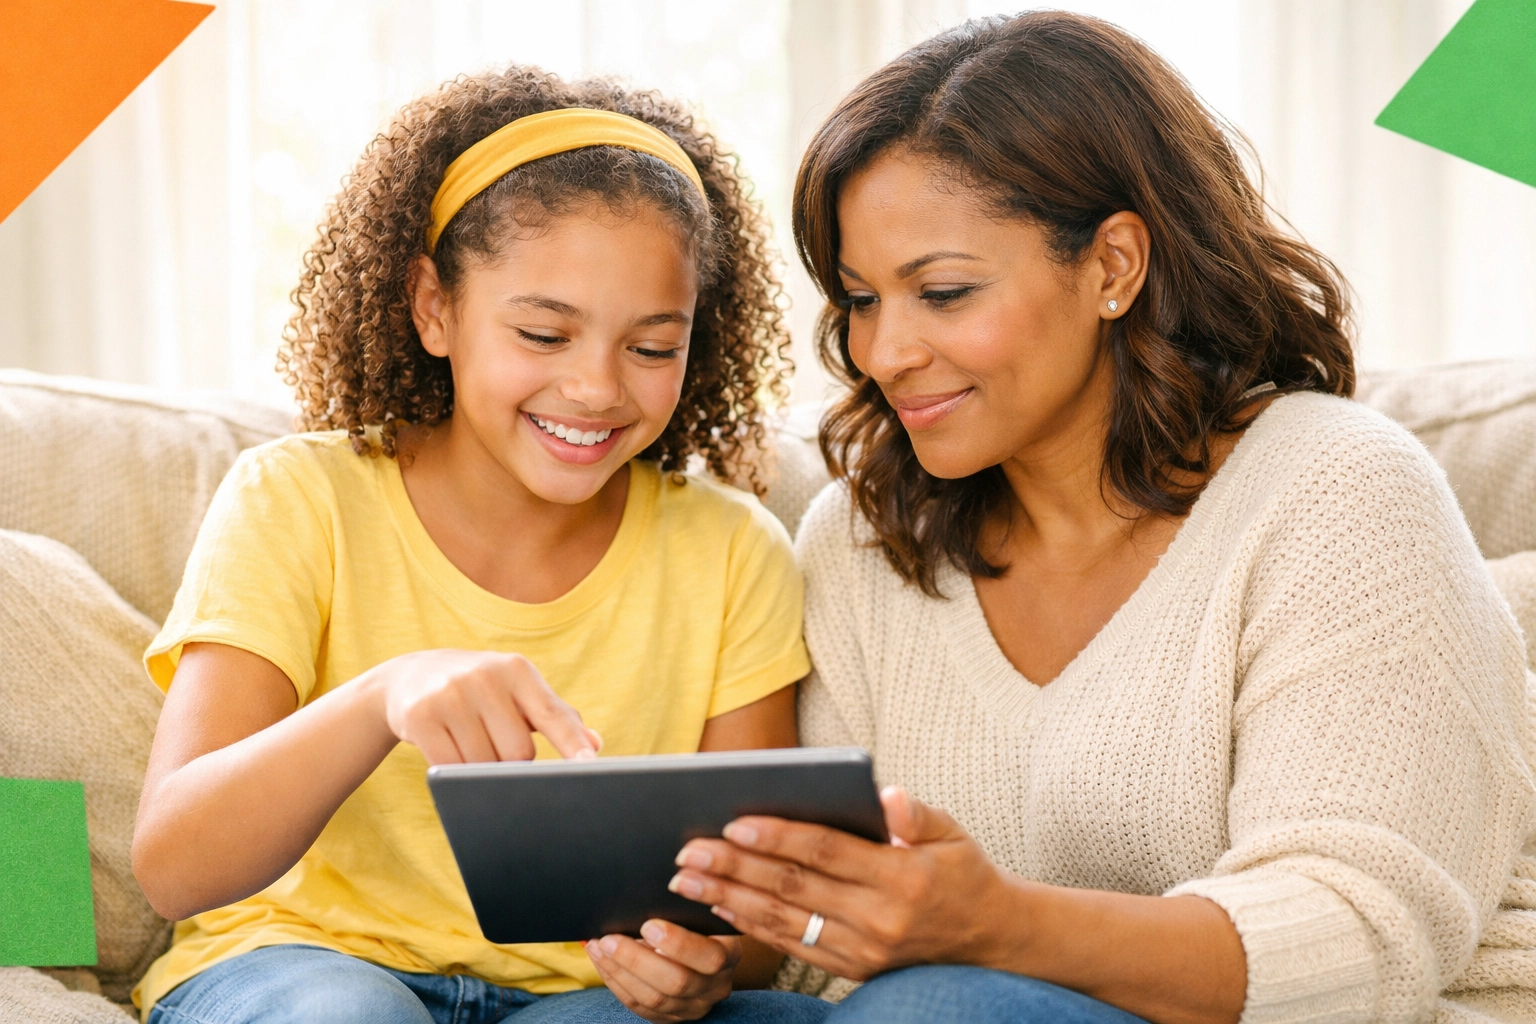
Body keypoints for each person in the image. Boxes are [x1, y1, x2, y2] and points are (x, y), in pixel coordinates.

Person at [667, 13, 1536, 1024]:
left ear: (1115, 265)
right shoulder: (862, 537)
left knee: (946, 1004)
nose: (884, 351)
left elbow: (1357, 938)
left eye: (943, 292)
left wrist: (993, 926)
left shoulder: (1336, 492)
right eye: (860, 299)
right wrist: (717, 952)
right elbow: (830, 958)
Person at [130, 68, 830, 1024]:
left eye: (652, 347)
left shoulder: (734, 550)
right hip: (305, 965)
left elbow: (749, 932)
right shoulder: (300, 498)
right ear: (435, 308)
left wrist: (700, 965)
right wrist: (382, 697)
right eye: (544, 332)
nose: (595, 388)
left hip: (579, 1001)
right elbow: (174, 867)